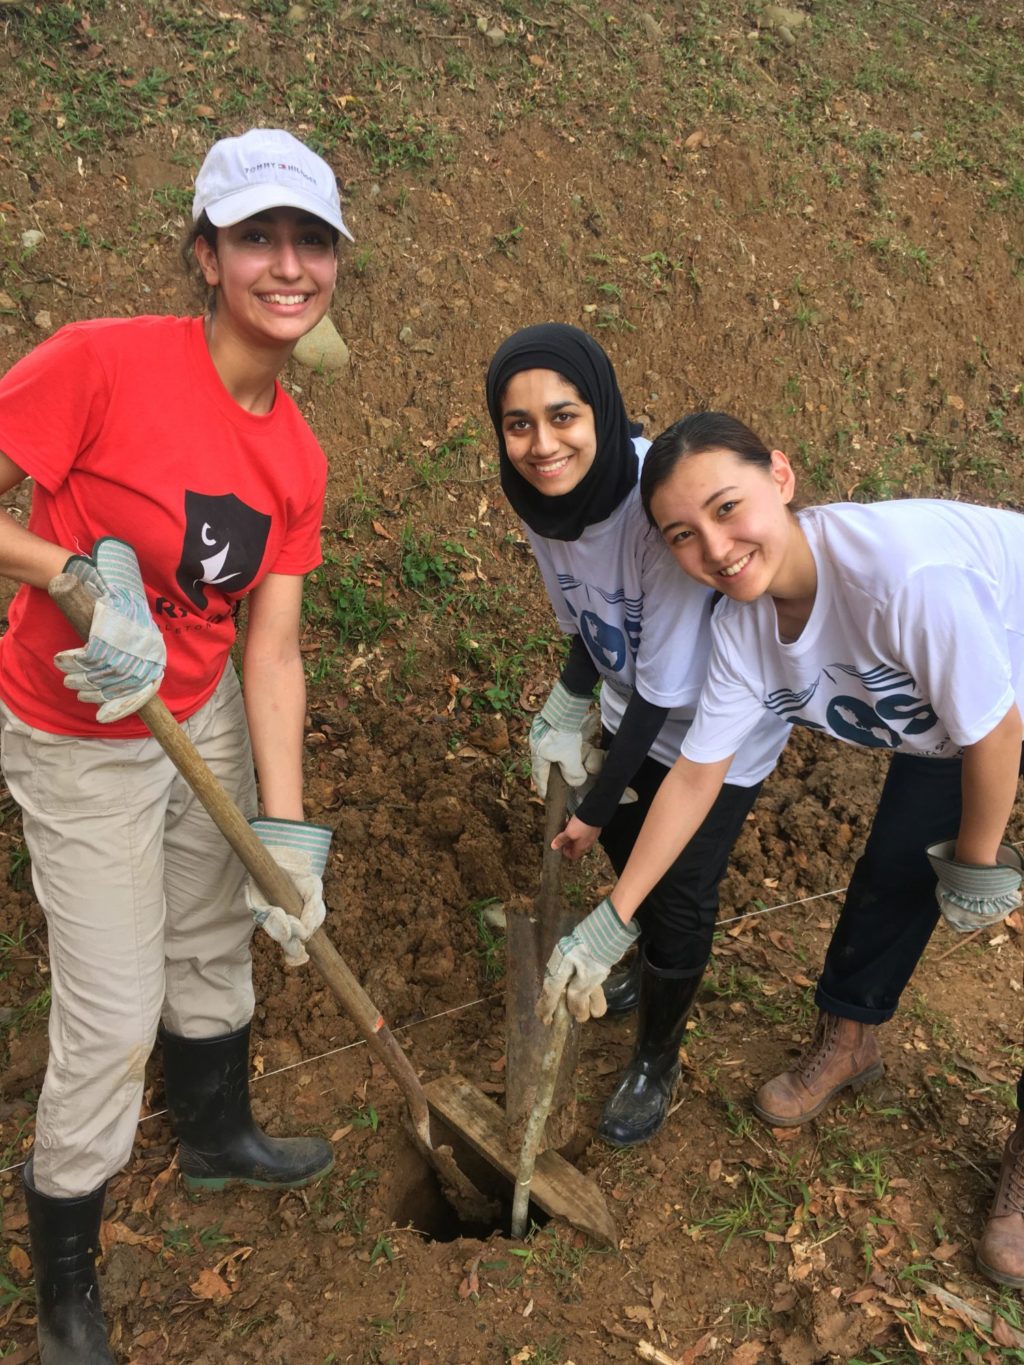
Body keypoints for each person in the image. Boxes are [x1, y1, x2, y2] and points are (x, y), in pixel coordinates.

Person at [0, 127, 353, 1362]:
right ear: (206, 256)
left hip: (194, 709)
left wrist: (287, 833)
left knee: (213, 931)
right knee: (111, 1011)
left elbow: (273, 650)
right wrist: (66, 573)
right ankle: (64, 1289)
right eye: (256, 237)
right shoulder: (101, 364)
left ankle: (216, 1138)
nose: (286, 265)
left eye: (310, 239)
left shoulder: (295, 454)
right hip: (79, 730)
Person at [536, 409, 1024, 1289]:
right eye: (684, 536)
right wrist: (614, 918)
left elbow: (995, 733)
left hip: (1001, 695)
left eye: (728, 509)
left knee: (955, 862)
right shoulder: (745, 628)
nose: (716, 549)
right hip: (949, 725)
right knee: (892, 875)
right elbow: (694, 775)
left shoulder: (900, 580)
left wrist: (981, 860)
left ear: (782, 477)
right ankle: (852, 1039)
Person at [484, 327, 788, 1152]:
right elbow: (592, 619)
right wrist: (567, 698)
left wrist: (587, 800)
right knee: (629, 844)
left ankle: (658, 1057)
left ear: (601, 410)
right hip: (633, 711)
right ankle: (637, 934)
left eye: (563, 416)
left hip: (714, 736)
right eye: (519, 425)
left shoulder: (658, 508)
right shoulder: (548, 499)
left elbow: (666, 689)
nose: (543, 444)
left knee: (680, 886)